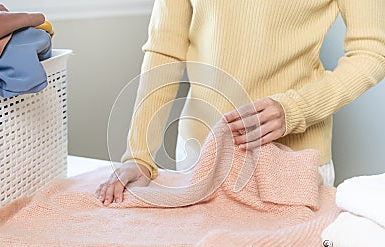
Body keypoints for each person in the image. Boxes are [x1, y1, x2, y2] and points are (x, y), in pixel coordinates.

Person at [95, 0, 385, 205]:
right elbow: (165, 50)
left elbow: (372, 52)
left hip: (292, 165)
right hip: (200, 158)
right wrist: (138, 155)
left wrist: (296, 108)